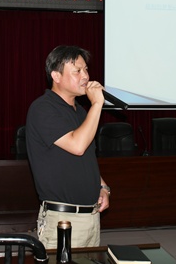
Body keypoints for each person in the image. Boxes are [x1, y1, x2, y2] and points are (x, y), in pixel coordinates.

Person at [26, 45, 111, 249]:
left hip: (90, 216)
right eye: (77, 71)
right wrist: (97, 104)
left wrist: (103, 187)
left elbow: (86, 158)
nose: (86, 76)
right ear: (56, 76)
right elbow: (77, 146)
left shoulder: (80, 112)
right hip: (63, 219)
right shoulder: (43, 108)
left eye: (86, 69)